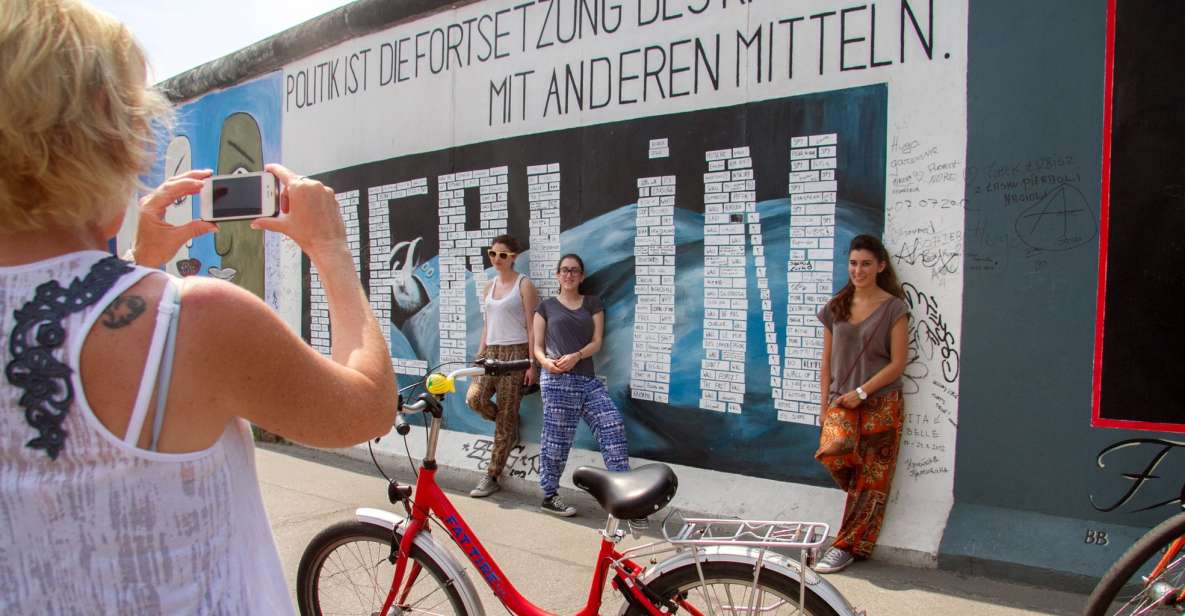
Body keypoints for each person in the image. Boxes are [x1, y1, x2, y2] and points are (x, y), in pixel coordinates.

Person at [0, 1, 395, 612]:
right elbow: (364, 408)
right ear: (109, 133)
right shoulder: (195, 319)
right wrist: (330, 247)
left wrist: (137, 263)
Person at [812, 234, 909, 574]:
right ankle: (857, 532)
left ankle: (847, 546)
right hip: (843, 401)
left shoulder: (894, 308)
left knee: (873, 482)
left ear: (880, 266)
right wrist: (826, 406)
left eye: (866, 263)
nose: (859, 270)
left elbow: (897, 363)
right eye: (854, 263)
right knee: (835, 452)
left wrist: (863, 392)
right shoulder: (836, 306)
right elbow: (826, 361)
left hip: (881, 402)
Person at [532, 254, 629, 516]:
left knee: (612, 425)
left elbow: (597, 342)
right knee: (557, 439)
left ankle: (623, 492)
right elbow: (537, 347)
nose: (569, 275)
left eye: (574, 271)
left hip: (588, 380)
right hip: (557, 381)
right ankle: (549, 495)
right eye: (564, 270)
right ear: (557, 275)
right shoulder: (546, 307)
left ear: (582, 276)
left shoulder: (592, 304)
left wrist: (577, 355)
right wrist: (546, 364)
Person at [465, 234, 539, 497]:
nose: (497, 259)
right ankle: (508, 426)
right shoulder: (489, 287)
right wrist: (480, 352)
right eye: (492, 253)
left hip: (517, 353)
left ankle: (492, 475)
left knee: (506, 413)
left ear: (514, 257)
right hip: (492, 352)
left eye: (503, 255)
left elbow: (533, 327)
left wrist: (532, 364)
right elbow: (488, 325)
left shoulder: (524, 285)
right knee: (475, 399)